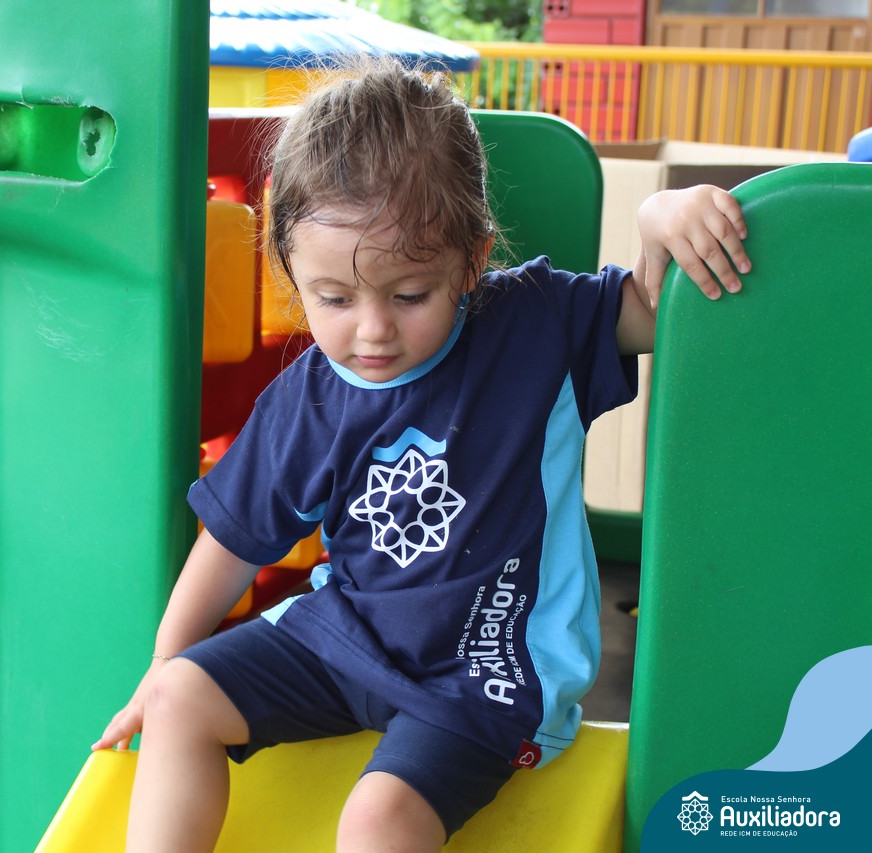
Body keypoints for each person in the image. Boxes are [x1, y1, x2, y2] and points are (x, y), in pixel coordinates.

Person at [94, 56, 751, 853]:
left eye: (409, 295)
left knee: (378, 819)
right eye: (334, 298)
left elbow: (651, 312)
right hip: (350, 636)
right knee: (179, 695)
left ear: (472, 260)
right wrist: (160, 669)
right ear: (290, 266)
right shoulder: (308, 397)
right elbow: (232, 543)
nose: (372, 330)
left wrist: (661, 218)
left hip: (487, 671)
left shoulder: (534, 325)